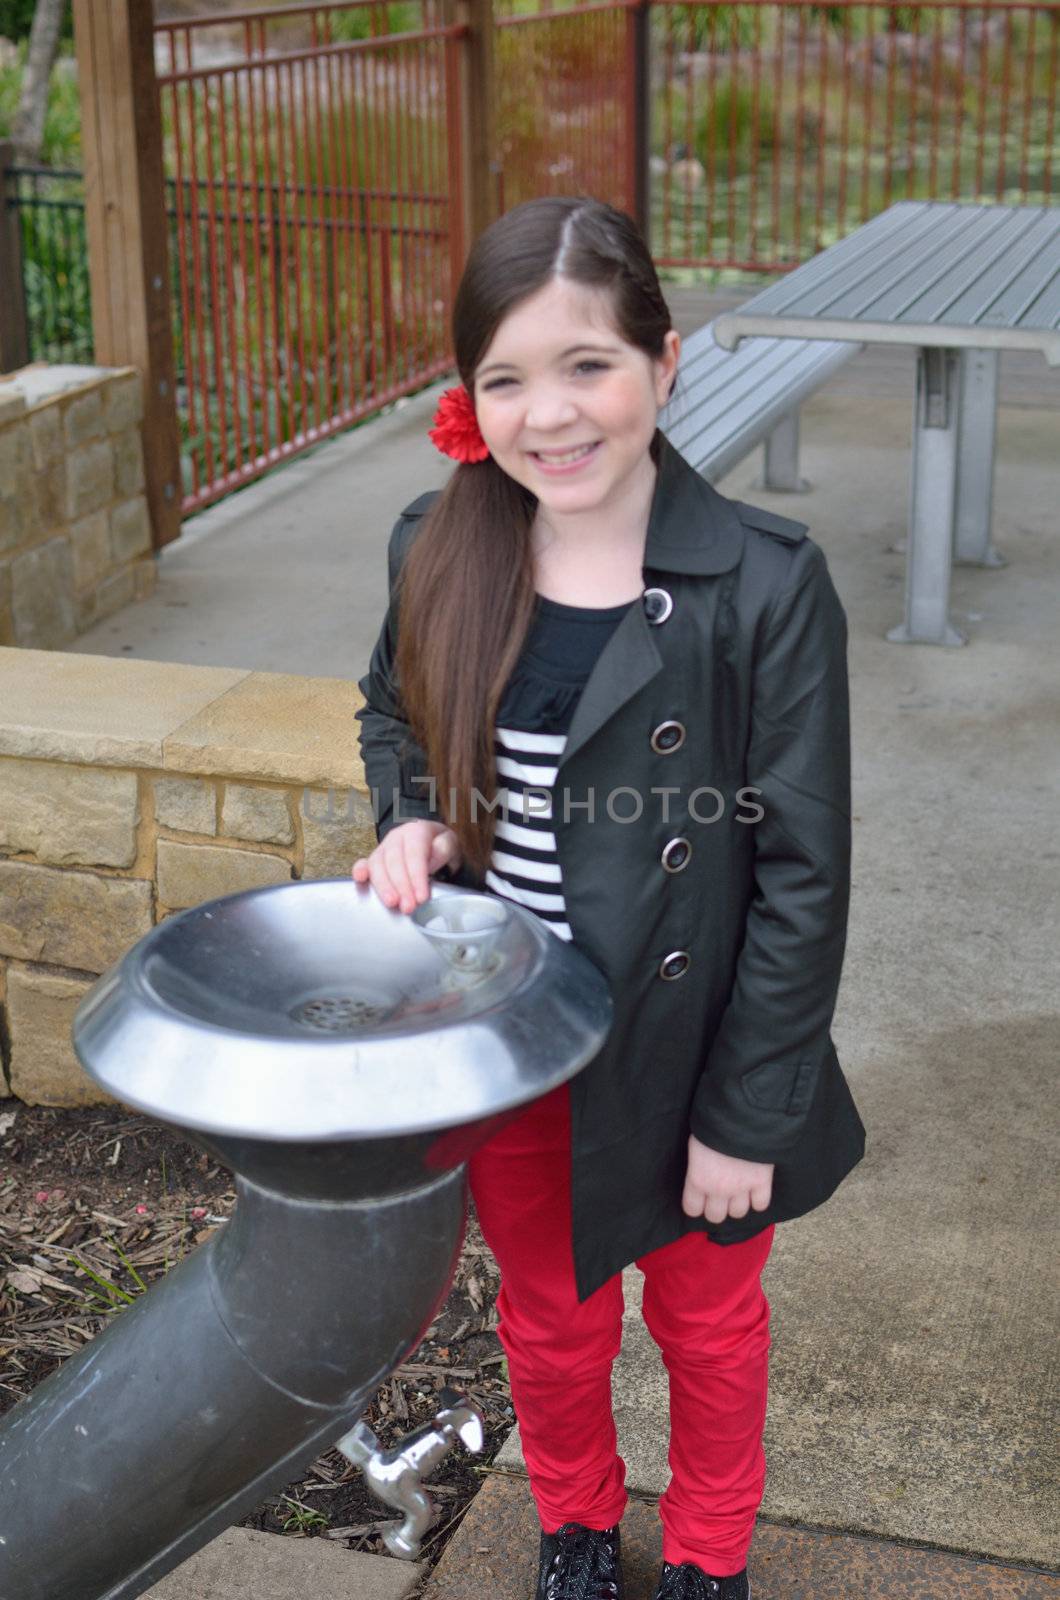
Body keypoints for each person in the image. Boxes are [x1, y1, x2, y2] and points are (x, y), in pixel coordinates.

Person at [353, 195, 867, 1600]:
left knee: (708, 1328)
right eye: (506, 378)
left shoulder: (762, 585)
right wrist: (411, 826)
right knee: (552, 1319)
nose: (551, 416)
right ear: (471, 399)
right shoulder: (437, 545)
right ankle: (575, 1524)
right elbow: (393, 716)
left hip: (693, 1046)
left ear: (665, 362)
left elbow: (803, 876)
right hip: (516, 1038)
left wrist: (746, 1113)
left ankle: (708, 1557)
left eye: (589, 364)